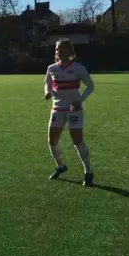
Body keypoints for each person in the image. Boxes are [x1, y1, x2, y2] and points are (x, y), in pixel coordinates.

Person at [45, 38, 95, 186]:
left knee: (77, 141)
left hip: (74, 110)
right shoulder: (51, 68)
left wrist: (79, 100)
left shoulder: (78, 67)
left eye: (60, 48)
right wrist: (47, 92)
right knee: (52, 140)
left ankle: (88, 172)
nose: (57, 51)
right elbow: (47, 83)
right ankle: (60, 166)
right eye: (56, 49)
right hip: (57, 109)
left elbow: (90, 86)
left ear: (68, 50)